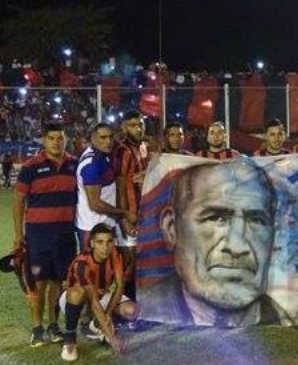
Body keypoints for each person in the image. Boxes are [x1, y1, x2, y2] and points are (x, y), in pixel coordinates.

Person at [139, 158, 286, 327]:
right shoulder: (144, 310)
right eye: (216, 218)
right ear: (171, 228)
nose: (236, 247)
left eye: (256, 220)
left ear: (275, 235)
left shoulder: (290, 320)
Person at [11, 122, 77, 347]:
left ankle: (54, 326)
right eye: (51, 138)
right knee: (39, 282)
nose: (56, 142)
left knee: (58, 281)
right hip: (38, 235)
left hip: (65, 233)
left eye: (60, 138)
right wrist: (18, 234)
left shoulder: (74, 164)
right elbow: (18, 200)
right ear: (44, 140)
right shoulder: (31, 166)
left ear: (65, 139)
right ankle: (37, 327)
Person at [59, 223, 139, 362]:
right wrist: (113, 339)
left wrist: (108, 313)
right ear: (92, 243)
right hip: (77, 302)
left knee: (132, 310)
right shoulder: (82, 262)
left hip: (100, 296)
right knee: (77, 293)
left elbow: (120, 286)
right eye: (100, 242)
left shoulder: (115, 255)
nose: (105, 247)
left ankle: (96, 325)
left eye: (109, 242)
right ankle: (70, 339)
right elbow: (93, 301)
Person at [76, 123, 134, 251]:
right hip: (92, 227)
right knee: (92, 262)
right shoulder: (91, 165)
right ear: (92, 138)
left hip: (105, 223)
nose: (108, 141)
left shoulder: (103, 155)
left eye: (110, 137)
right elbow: (95, 204)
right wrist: (124, 213)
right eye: (103, 137)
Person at [112, 111, 148, 302]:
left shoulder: (142, 146)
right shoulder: (122, 151)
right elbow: (119, 188)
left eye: (140, 124)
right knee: (129, 265)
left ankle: (137, 307)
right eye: (133, 125)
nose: (138, 129)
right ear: (124, 128)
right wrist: (124, 218)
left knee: (141, 263)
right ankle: (124, 308)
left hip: (143, 215)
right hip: (129, 216)